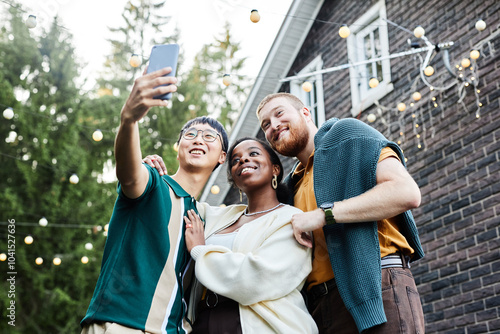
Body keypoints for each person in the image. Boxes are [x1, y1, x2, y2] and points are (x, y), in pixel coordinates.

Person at [256, 92, 425, 334]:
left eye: (279, 113)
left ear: (305, 113)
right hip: (321, 310)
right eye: (265, 124)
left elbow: (406, 192)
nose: (273, 125)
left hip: (379, 287)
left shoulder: (346, 133)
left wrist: (325, 214)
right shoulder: (290, 185)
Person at [80, 66, 228, 334]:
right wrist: (129, 120)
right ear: (179, 147)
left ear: (222, 156)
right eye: (190, 134)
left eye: (209, 136)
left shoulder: (207, 217)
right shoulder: (153, 182)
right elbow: (129, 174)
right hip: (121, 326)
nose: (198, 140)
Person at [180, 137, 317, 333]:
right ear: (234, 179)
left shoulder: (291, 218)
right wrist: (151, 171)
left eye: (253, 154)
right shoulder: (216, 216)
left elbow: (257, 277)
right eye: (235, 160)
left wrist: (199, 251)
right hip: (205, 321)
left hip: (264, 325)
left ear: (275, 169)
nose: (243, 160)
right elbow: (177, 203)